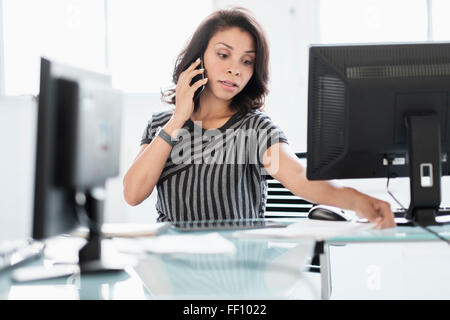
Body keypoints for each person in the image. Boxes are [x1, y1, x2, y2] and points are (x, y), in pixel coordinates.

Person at [123, 6, 395, 229]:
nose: (235, 70)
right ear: (198, 58)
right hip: (174, 276)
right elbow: (133, 193)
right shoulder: (161, 125)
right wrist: (177, 120)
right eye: (223, 55)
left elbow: (300, 176)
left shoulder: (254, 129)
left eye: (247, 61)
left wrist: (356, 201)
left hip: (238, 274)